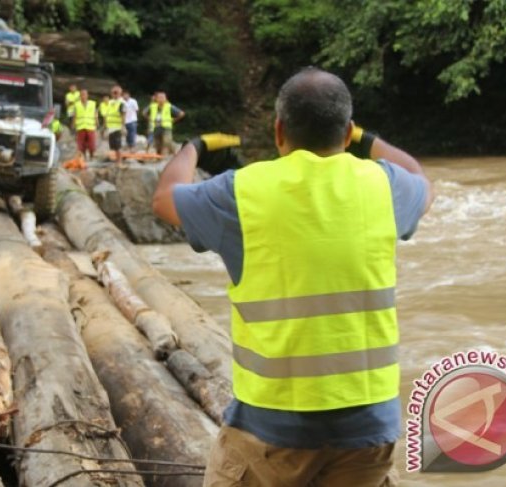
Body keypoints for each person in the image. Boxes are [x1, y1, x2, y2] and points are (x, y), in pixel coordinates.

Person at [152, 67, 434, 487]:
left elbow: (163, 198)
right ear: (347, 130)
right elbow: (421, 179)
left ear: (279, 130)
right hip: (371, 429)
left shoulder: (242, 191)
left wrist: (194, 146)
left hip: (273, 431)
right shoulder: (383, 185)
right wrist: (363, 139)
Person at [143, 91, 185, 155]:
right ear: (156, 99)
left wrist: (174, 120)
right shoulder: (152, 106)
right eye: (159, 97)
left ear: (165, 98)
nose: (161, 99)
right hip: (156, 126)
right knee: (157, 143)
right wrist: (149, 119)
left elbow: (181, 113)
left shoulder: (169, 106)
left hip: (166, 126)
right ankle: (159, 155)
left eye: (163, 97)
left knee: (167, 141)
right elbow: (144, 113)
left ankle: (174, 152)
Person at [73, 89, 98, 159]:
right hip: (80, 126)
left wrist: (97, 122)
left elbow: (95, 114)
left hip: (90, 126)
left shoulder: (93, 104)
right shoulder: (76, 105)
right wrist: (73, 125)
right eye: (81, 95)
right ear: (80, 96)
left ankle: (91, 155)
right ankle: (83, 156)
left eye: (84, 94)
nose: (83, 96)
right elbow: (75, 115)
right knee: (81, 143)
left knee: (92, 143)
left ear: (87, 95)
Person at [105, 86, 125, 163]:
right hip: (110, 127)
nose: (115, 94)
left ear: (120, 93)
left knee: (118, 146)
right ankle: (116, 160)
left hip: (117, 127)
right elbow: (108, 114)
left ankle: (119, 162)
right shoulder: (110, 102)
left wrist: (123, 126)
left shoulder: (121, 103)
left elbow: (123, 115)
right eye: (113, 93)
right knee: (113, 146)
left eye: (116, 93)